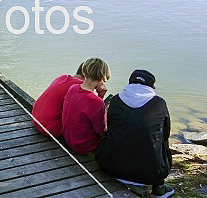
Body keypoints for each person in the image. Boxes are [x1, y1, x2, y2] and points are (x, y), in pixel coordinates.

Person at [95, 70, 173, 198]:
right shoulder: (159, 103)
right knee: (161, 141)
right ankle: (159, 188)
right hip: (151, 174)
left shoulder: (115, 100)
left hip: (110, 167)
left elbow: (108, 129)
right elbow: (165, 134)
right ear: (151, 87)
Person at [32, 63, 95, 137]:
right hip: (50, 128)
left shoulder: (63, 77)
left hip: (36, 119)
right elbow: (92, 111)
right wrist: (100, 95)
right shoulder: (80, 87)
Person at [62, 57, 110, 154]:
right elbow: (101, 131)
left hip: (68, 139)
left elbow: (86, 106)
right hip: (83, 146)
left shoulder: (73, 88)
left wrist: (100, 96)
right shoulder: (96, 102)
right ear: (103, 77)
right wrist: (106, 112)